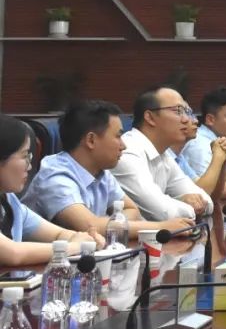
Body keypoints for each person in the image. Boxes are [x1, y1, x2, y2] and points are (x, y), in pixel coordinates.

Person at [22, 100, 194, 238]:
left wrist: (107, 224)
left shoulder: (101, 172)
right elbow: (90, 226)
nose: (123, 145)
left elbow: (132, 210)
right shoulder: (55, 176)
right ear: (91, 140)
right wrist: (161, 227)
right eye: (118, 136)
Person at [0, 114, 103, 266]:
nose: (29, 166)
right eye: (24, 156)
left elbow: (58, 234)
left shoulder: (9, 200)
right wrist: (76, 246)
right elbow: (14, 253)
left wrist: (84, 238)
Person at [112, 85, 212, 221]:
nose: (186, 119)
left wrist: (187, 203)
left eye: (187, 112)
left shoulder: (163, 154)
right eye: (178, 111)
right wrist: (186, 204)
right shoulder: (127, 152)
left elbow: (206, 201)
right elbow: (163, 212)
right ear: (150, 117)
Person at [167, 99, 226, 199]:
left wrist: (223, 163)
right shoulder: (164, 155)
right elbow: (201, 195)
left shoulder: (179, 158)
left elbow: (212, 196)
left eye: (190, 113)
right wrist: (218, 157)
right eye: (181, 113)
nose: (195, 121)